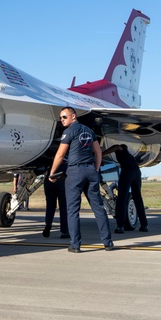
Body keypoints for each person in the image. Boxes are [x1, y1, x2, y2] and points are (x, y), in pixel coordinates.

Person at [48, 107, 113, 252]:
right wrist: (95, 169)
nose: (62, 120)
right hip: (90, 170)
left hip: (76, 171)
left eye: (64, 117)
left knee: (72, 210)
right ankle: (108, 242)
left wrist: (52, 172)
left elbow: (60, 154)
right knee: (98, 208)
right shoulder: (89, 131)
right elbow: (98, 151)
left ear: (73, 116)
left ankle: (75, 245)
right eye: (61, 117)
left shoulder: (69, 131)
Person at [105, 144, 148, 233]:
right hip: (136, 172)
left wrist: (101, 153)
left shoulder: (121, 150)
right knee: (138, 198)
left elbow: (117, 147)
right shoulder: (129, 155)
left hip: (127, 172)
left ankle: (120, 226)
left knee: (121, 199)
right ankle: (144, 225)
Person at [42, 167, 69, 239]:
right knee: (63, 207)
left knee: (50, 205)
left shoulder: (49, 159)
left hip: (49, 180)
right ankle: (64, 231)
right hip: (62, 180)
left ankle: (48, 224)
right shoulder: (66, 158)